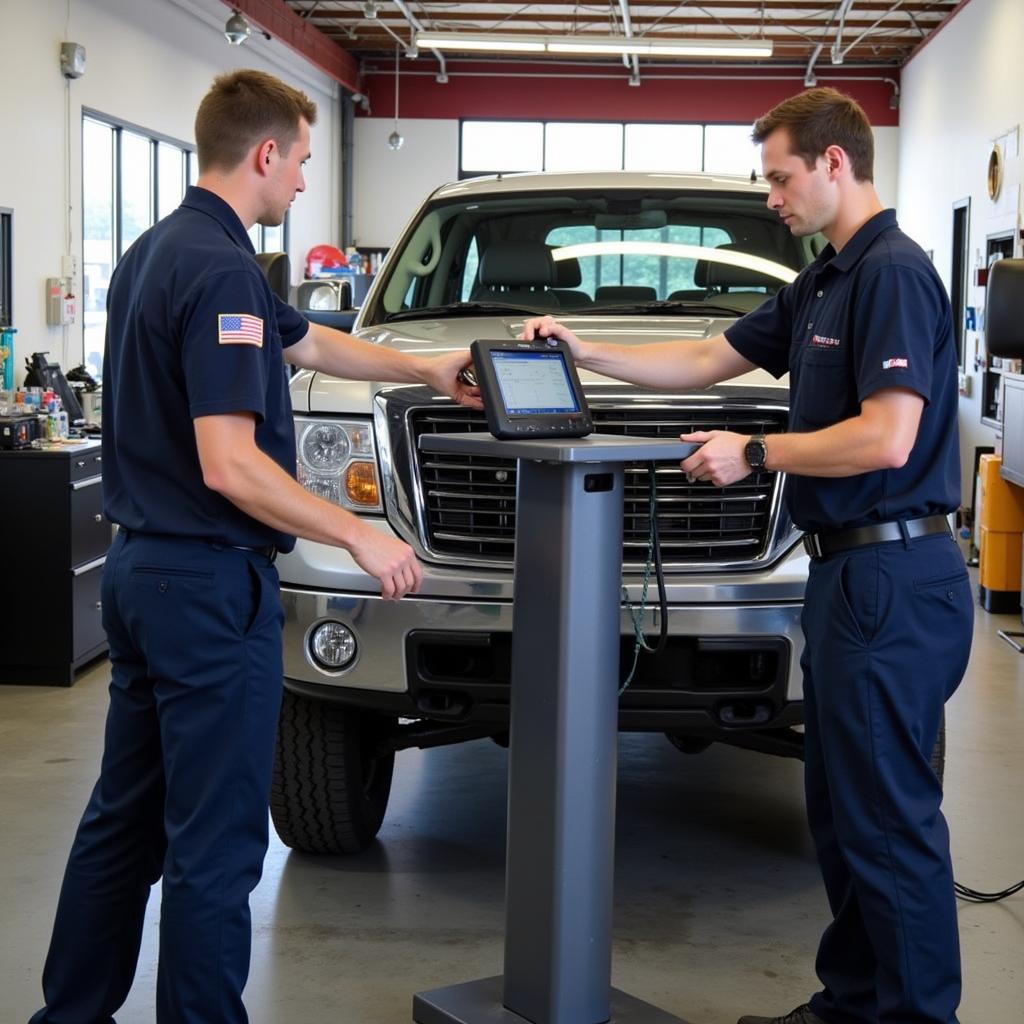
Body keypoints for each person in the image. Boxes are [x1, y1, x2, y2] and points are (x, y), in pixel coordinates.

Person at [30, 69, 478, 1024]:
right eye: (304, 160)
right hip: (206, 588)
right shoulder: (226, 268)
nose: (306, 181)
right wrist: (359, 533)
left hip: (141, 576)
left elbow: (307, 342)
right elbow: (231, 463)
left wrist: (425, 368)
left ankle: (66, 1015)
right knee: (218, 843)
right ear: (266, 154)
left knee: (124, 821)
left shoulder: (161, 249)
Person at [522, 87, 973, 1024]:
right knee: (845, 820)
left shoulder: (891, 274)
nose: (771, 197)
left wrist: (755, 452)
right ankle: (850, 1005)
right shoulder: (824, 281)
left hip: (893, 575)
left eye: (780, 177)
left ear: (835, 164)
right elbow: (705, 358)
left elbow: (888, 439)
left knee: (889, 825)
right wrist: (585, 350)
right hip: (850, 575)